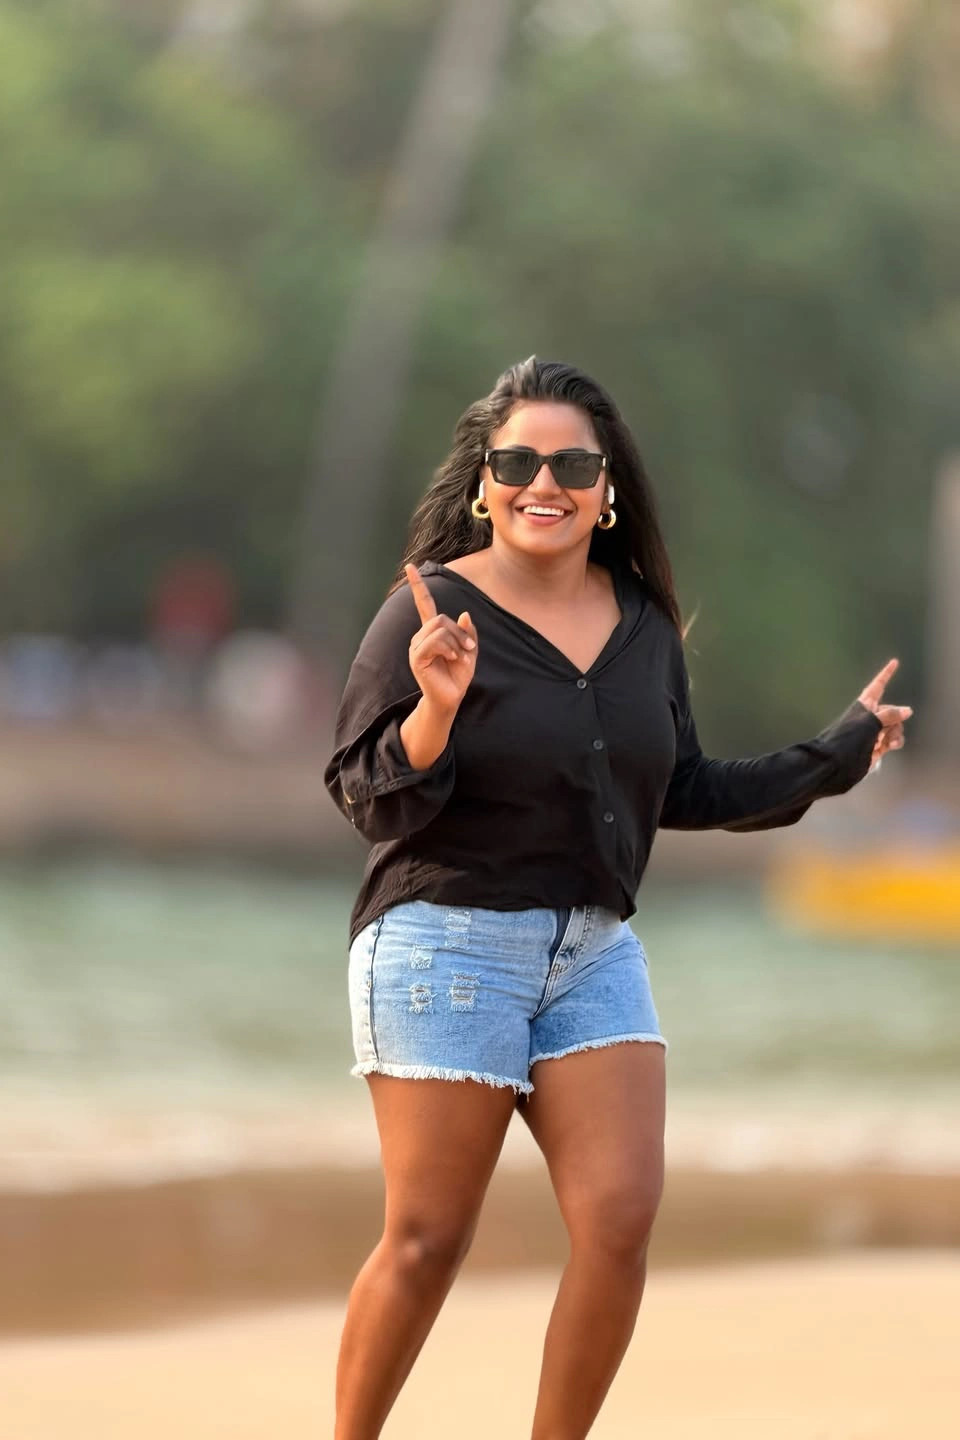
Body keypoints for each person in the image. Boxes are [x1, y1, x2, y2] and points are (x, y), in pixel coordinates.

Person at [323, 356, 911, 1440]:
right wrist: (434, 711)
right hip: (445, 940)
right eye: (517, 463)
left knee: (619, 1222)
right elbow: (365, 795)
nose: (543, 483)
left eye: (571, 464)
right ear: (484, 485)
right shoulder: (429, 610)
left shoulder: (640, 620)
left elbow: (678, 788)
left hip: (592, 950)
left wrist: (835, 756)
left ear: (607, 489)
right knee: (428, 1237)